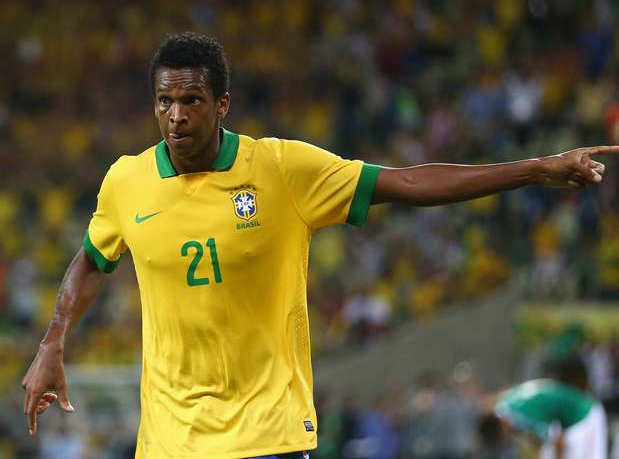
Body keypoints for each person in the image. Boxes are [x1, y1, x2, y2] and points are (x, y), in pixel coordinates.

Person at [21, 32, 618, 459]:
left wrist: (536, 169)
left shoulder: (282, 171)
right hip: (169, 444)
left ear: (222, 104)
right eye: (164, 101)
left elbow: (408, 183)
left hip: (269, 438)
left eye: (192, 101)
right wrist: (54, 341)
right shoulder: (126, 182)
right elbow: (91, 260)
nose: (176, 116)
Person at [494, 355, 607, 459]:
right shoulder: (507, 403)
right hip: (579, 416)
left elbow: (557, 441)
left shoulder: (518, 416)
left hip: (584, 416)